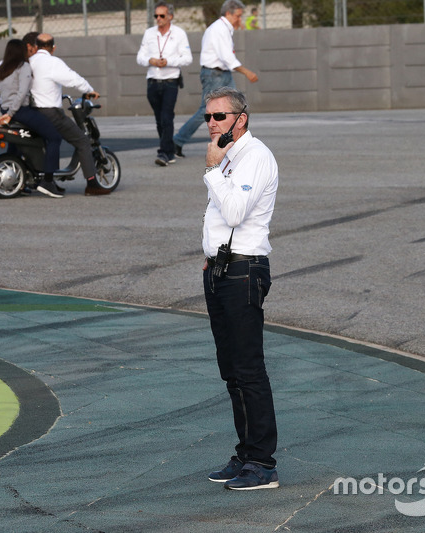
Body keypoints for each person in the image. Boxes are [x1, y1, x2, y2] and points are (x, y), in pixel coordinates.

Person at [201, 87, 279, 490]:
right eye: (208, 117)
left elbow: (234, 211)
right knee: (231, 370)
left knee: (248, 369)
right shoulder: (229, 157)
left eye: (219, 117)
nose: (211, 124)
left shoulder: (255, 156)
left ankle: (262, 463)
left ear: (240, 119)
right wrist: (212, 254)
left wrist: (213, 170)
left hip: (244, 271)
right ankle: (246, 453)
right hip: (221, 269)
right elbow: (218, 216)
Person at [172, 0, 258, 159]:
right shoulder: (219, 29)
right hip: (215, 75)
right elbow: (227, 57)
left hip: (222, 74)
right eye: (238, 16)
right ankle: (177, 141)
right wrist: (247, 72)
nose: (240, 19)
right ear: (228, 14)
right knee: (207, 111)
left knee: (236, 108)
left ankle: (231, 143)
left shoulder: (225, 28)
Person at [29, 34, 109, 196]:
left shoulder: (29, 62)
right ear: (53, 48)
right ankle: (92, 184)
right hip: (51, 113)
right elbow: (72, 79)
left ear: (36, 47)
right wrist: (89, 90)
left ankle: (48, 179)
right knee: (82, 140)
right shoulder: (53, 62)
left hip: (32, 113)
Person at [0, 39, 64, 198]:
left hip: (5, 111)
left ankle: (22, 182)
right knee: (54, 137)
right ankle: (48, 182)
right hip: (21, 111)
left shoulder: (0, 70)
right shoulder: (23, 67)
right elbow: (22, 93)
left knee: (17, 142)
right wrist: (10, 114)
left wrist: (1, 116)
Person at [136, 1, 192, 167]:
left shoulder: (179, 33)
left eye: (162, 16)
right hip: (153, 81)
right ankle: (169, 151)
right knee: (160, 119)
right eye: (156, 16)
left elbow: (187, 58)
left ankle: (163, 153)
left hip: (170, 81)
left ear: (170, 17)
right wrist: (150, 60)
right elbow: (140, 57)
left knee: (167, 117)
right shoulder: (149, 33)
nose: (158, 19)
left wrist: (168, 61)